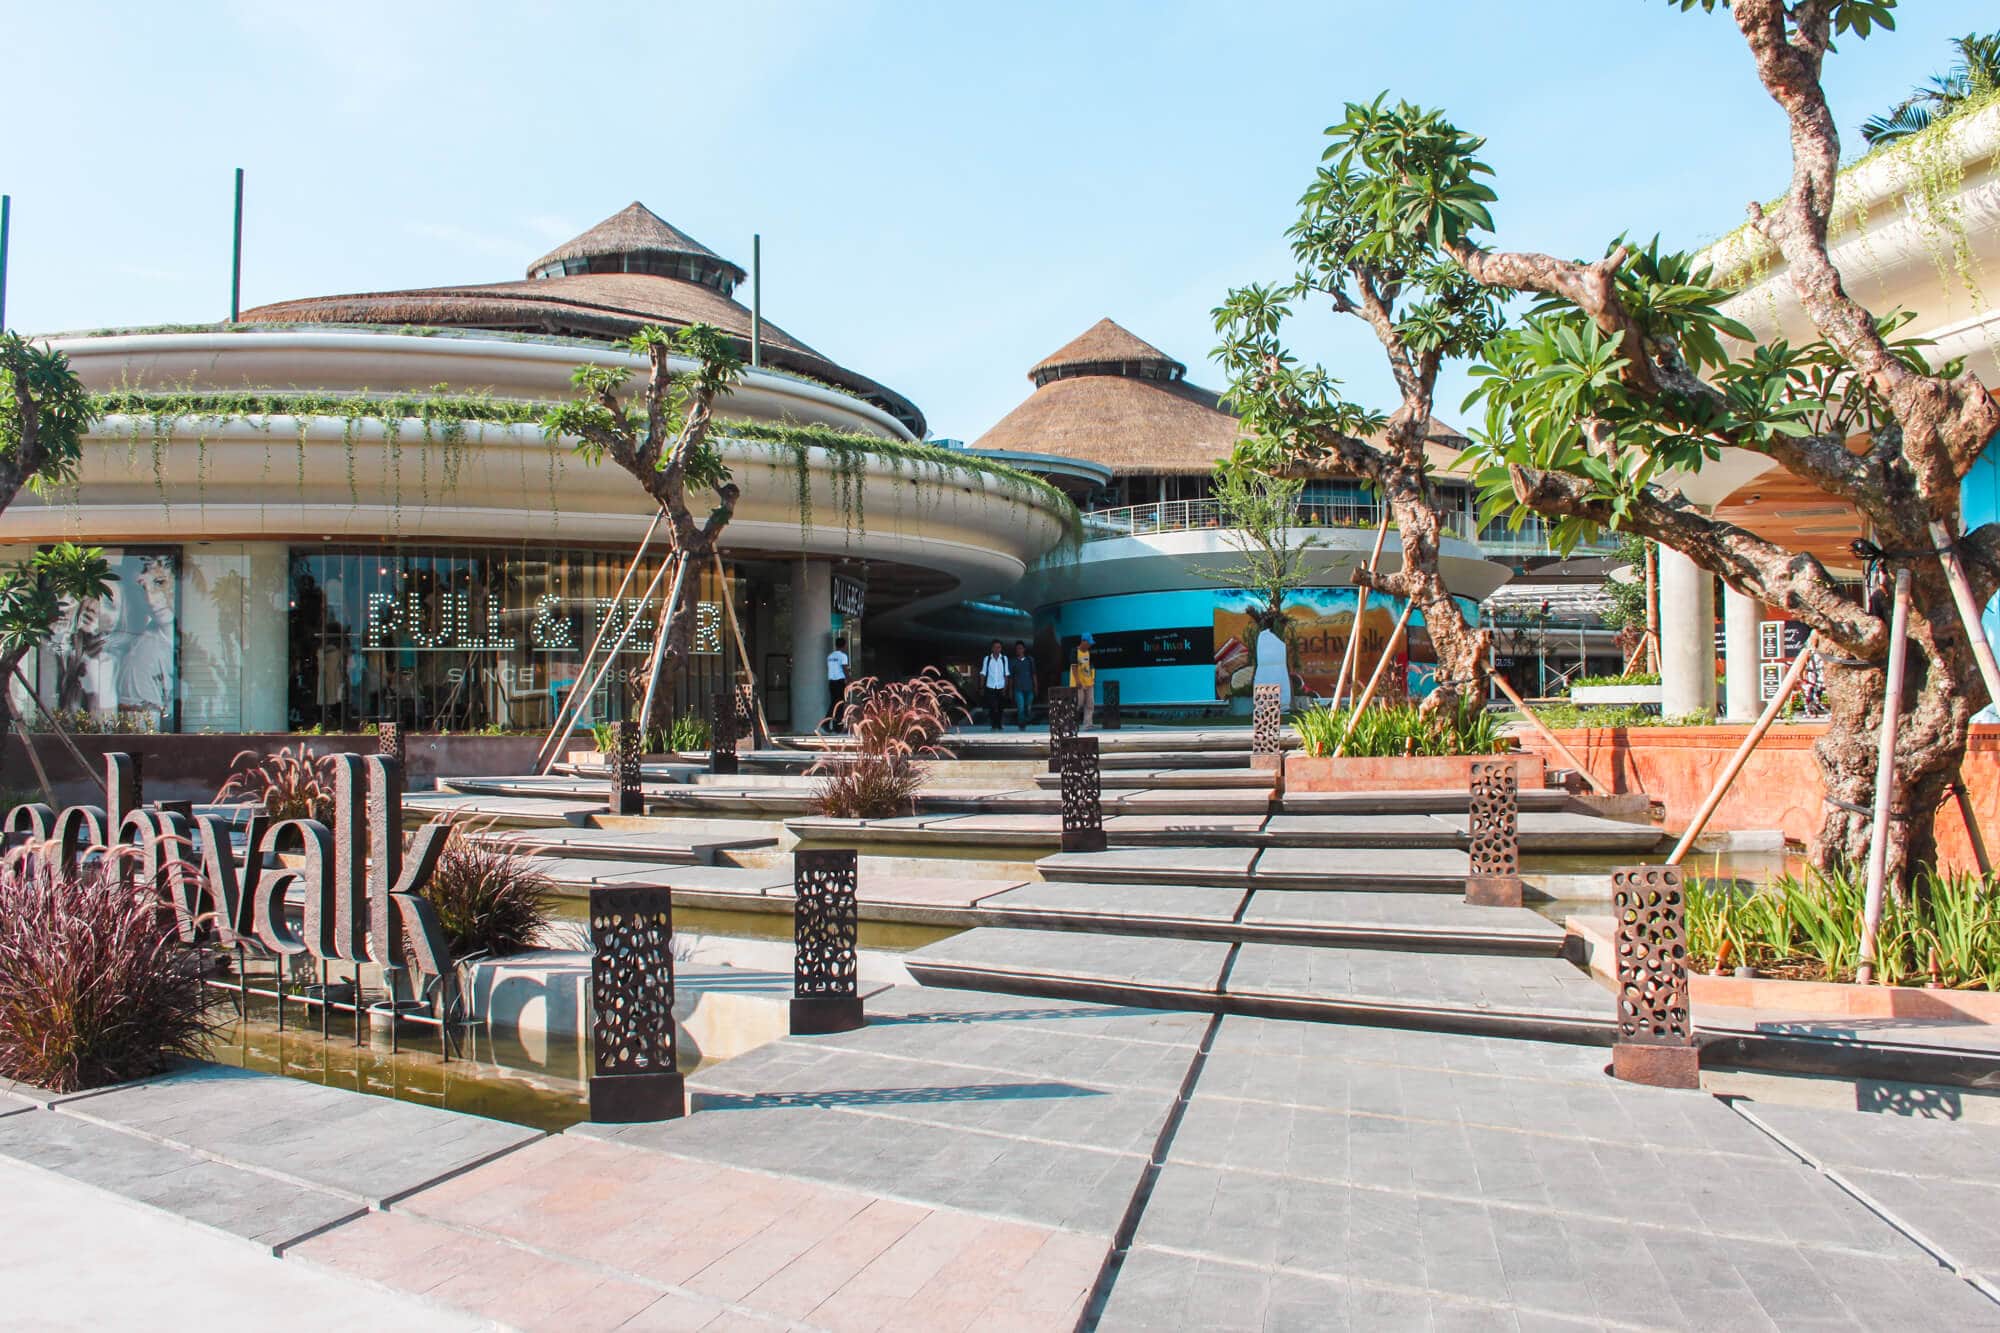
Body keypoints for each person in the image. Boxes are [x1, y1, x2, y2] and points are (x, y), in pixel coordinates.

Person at [979, 639, 1011, 731]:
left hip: (1001, 686)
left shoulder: (1004, 659)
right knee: (992, 706)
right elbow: (983, 673)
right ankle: (994, 723)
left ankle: (999, 724)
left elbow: (1006, 674)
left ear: (1001, 649)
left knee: (1000, 706)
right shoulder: (987, 659)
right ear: (992, 648)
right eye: (995, 647)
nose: (997, 649)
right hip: (990, 686)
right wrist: (981, 687)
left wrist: (1006, 687)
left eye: (999, 647)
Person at [822, 634, 850, 731]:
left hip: (831, 682)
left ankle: (834, 725)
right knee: (839, 704)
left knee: (834, 703)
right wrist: (850, 680)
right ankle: (833, 725)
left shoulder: (830, 656)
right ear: (844, 645)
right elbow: (844, 669)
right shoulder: (843, 656)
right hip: (839, 682)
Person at [1071, 632, 1097, 730]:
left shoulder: (1088, 652)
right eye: (1088, 643)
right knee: (1079, 703)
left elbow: (1091, 666)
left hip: (1089, 682)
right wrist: (1077, 681)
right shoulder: (1075, 651)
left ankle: (1088, 724)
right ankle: (1070, 722)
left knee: (1090, 703)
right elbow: (1074, 667)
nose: (1090, 645)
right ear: (1083, 641)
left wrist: (1093, 678)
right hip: (1079, 682)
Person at [1009, 639, 1036, 730]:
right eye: (1017, 649)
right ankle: (1021, 725)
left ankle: (1027, 719)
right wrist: (1010, 689)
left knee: (1028, 707)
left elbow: (1034, 674)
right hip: (1018, 688)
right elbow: (1011, 677)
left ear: (1024, 649)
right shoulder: (1013, 662)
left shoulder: (1030, 660)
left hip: (1029, 687)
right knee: (1020, 707)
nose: (1019, 650)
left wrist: (1036, 686)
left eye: (1020, 648)